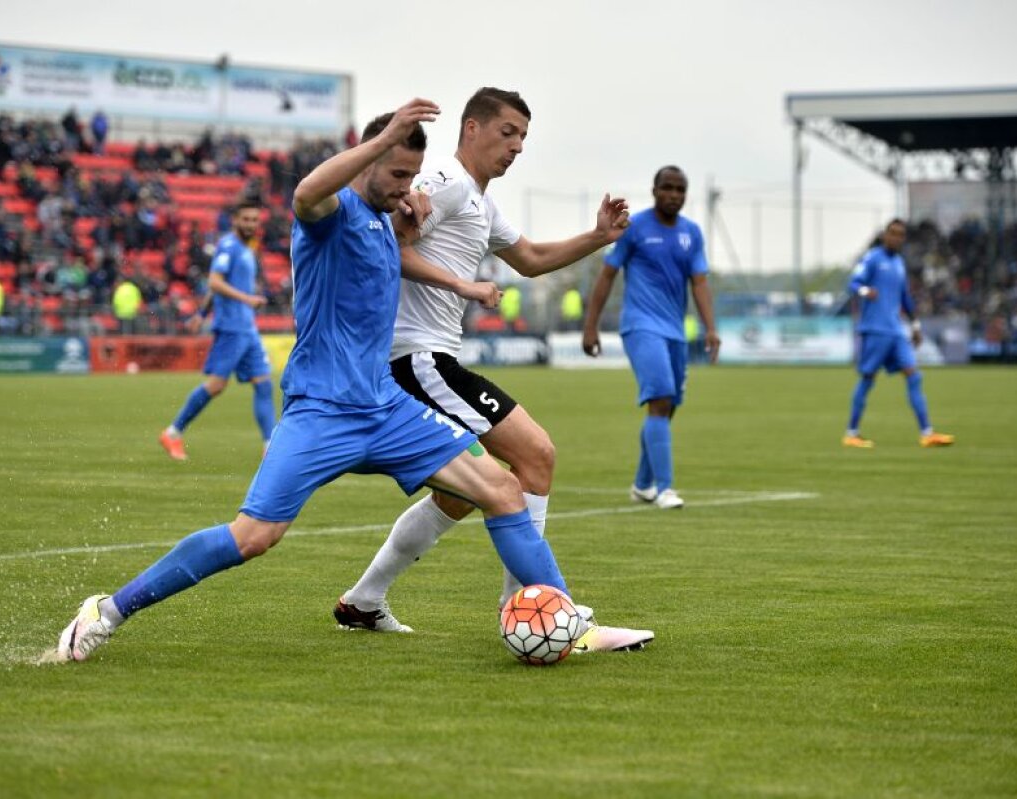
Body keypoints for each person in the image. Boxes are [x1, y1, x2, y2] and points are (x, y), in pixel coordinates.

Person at [56, 98, 589, 663]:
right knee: (253, 537)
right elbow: (305, 192)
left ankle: (569, 621)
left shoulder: (388, 222)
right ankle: (108, 610)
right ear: (365, 161)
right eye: (396, 174)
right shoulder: (327, 217)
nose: (407, 188)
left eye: (412, 176)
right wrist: (381, 146)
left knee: (502, 492)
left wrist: (456, 279)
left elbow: (410, 256)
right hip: (321, 411)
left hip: (386, 409)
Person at [335, 87, 651, 653]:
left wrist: (598, 237)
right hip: (418, 359)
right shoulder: (446, 184)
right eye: (508, 133)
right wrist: (454, 273)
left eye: (525, 137)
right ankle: (536, 611)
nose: (518, 147)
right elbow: (391, 246)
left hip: (431, 360)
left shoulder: (481, 201)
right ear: (472, 129)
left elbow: (529, 260)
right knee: (535, 455)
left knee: (460, 496)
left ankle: (363, 601)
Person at [581, 165, 720, 510]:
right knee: (660, 400)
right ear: (654, 190)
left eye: (680, 189)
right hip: (641, 326)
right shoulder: (634, 228)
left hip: (674, 330)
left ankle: (643, 484)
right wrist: (590, 325)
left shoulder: (692, 233)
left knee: (667, 407)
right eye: (667, 188)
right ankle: (665, 489)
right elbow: (607, 275)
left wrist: (711, 328)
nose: (674, 195)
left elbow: (700, 282)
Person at [158, 198, 276, 460]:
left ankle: (270, 446)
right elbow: (214, 281)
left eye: (255, 220)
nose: (250, 224)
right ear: (235, 220)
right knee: (216, 385)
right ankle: (173, 432)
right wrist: (247, 299)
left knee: (264, 384)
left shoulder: (248, 248)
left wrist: (201, 313)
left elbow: (214, 287)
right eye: (245, 219)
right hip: (232, 327)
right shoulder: (229, 246)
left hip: (247, 327)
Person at [842, 219, 954, 449]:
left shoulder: (899, 264)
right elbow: (853, 283)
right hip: (875, 330)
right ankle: (851, 433)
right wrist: (864, 290)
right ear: (885, 235)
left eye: (901, 234)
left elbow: (905, 298)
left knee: (914, 375)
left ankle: (927, 433)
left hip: (895, 330)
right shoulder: (873, 258)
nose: (896, 238)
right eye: (892, 233)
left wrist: (915, 326)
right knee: (867, 379)